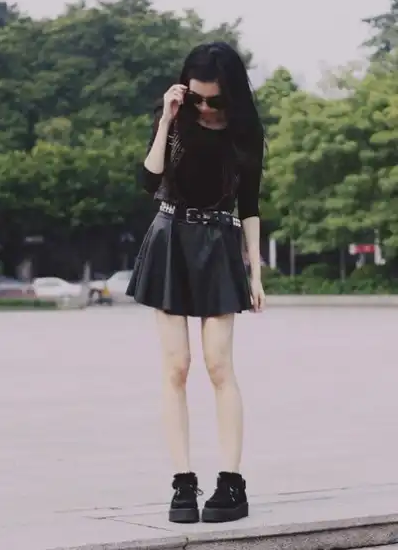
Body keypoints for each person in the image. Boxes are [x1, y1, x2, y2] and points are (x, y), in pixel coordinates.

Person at [126, 41, 266, 524]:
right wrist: (167, 120)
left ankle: (231, 483)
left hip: (219, 243)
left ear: (232, 94)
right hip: (170, 239)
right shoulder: (177, 119)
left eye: (215, 100)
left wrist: (256, 272)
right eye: (197, 97)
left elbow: (250, 204)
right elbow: (149, 180)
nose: (205, 107)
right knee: (177, 368)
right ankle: (183, 483)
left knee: (219, 364)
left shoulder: (245, 133)